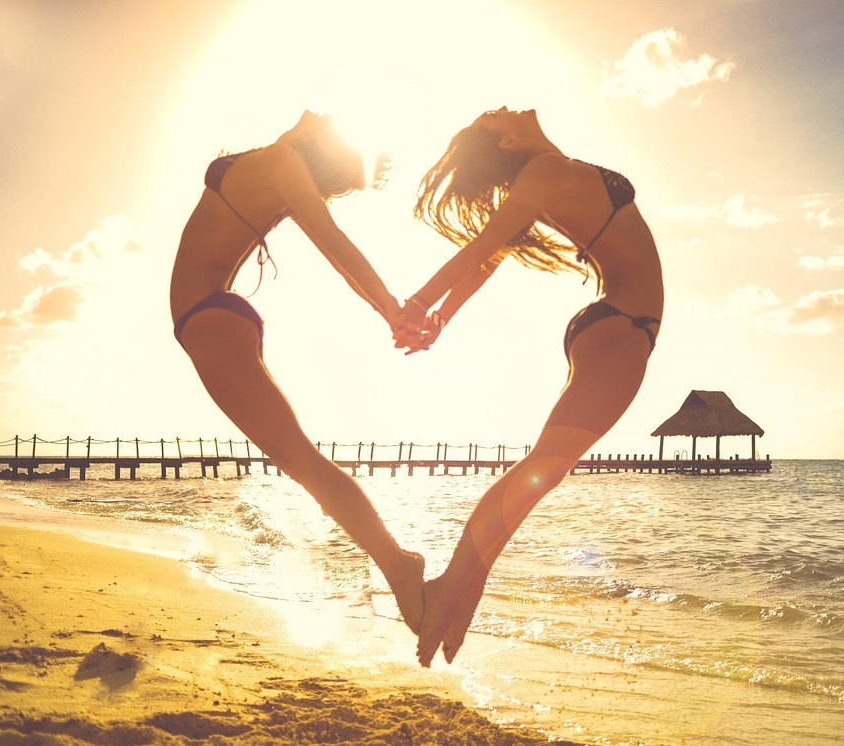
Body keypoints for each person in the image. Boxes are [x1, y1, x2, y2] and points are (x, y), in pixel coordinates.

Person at [394, 107, 664, 667]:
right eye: (494, 119)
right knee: (543, 468)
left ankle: (460, 587)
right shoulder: (541, 170)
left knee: (545, 469)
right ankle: (455, 585)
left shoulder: (548, 170)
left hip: (614, 325)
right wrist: (421, 304)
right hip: (623, 326)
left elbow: (489, 259)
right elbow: (481, 247)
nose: (500, 108)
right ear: (510, 140)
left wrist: (442, 317)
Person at [171, 110, 424, 632]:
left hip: (210, 320)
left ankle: (399, 566)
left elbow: (335, 245)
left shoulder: (284, 163)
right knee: (297, 459)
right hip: (211, 319)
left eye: (327, 122)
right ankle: (395, 563)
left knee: (301, 460)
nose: (321, 113)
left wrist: (390, 308)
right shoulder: (278, 159)